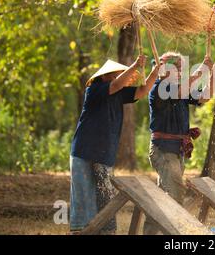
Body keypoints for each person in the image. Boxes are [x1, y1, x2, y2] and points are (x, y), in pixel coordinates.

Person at [69, 56, 161, 234]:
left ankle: (107, 231)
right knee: (83, 196)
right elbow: (117, 85)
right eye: (116, 75)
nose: (120, 77)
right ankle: (81, 231)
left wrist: (154, 73)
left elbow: (142, 91)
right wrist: (135, 65)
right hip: (84, 151)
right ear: (105, 76)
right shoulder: (94, 89)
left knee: (105, 196)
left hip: (103, 152)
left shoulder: (118, 92)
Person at [143, 52, 215, 235]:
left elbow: (204, 97)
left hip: (176, 151)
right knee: (176, 194)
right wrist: (201, 70)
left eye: (180, 68)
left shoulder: (180, 89)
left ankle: (150, 232)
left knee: (162, 196)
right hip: (163, 151)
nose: (180, 72)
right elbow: (179, 92)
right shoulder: (159, 88)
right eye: (176, 68)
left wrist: (213, 75)